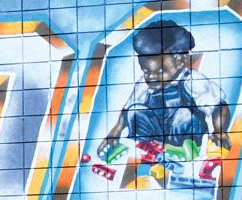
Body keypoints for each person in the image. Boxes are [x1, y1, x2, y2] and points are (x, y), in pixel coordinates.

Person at [99, 19, 230, 158]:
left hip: (182, 137)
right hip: (158, 133)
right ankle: (143, 146)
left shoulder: (191, 80)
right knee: (135, 111)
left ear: (180, 60)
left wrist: (219, 131)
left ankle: (182, 152)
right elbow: (127, 110)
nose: (151, 77)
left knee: (184, 115)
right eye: (146, 71)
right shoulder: (143, 84)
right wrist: (115, 132)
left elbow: (219, 106)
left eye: (160, 71)